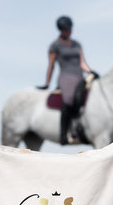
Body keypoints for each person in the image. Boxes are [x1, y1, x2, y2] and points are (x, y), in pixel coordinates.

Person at [38, 16, 96, 145]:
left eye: (70, 29)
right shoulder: (55, 46)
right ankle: (64, 134)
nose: (69, 31)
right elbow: (51, 65)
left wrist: (90, 71)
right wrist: (47, 83)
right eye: (66, 29)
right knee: (69, 99)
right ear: (61, 30)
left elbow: (82, 62)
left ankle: (83, 129)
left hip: (79, 75)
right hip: (66, 76)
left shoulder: (77, 44)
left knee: (89, 96)